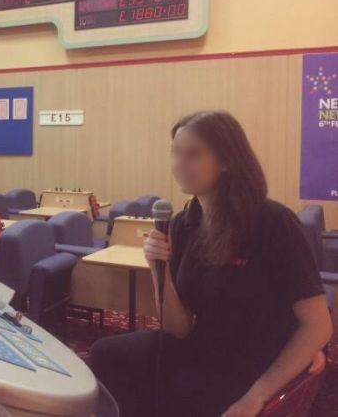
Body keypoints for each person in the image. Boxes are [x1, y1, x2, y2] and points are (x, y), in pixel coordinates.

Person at [89, 110, 332, 417]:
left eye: (193, 154)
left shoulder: (272, 222)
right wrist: (157, 268)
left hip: (259, 360)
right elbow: (178, 329)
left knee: (183, 390)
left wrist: (255, 397)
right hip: (205, 349)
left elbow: (318, 325)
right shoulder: (183, 224)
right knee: (108, 354)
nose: (180, 163)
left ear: (226, 161)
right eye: (176, 153)